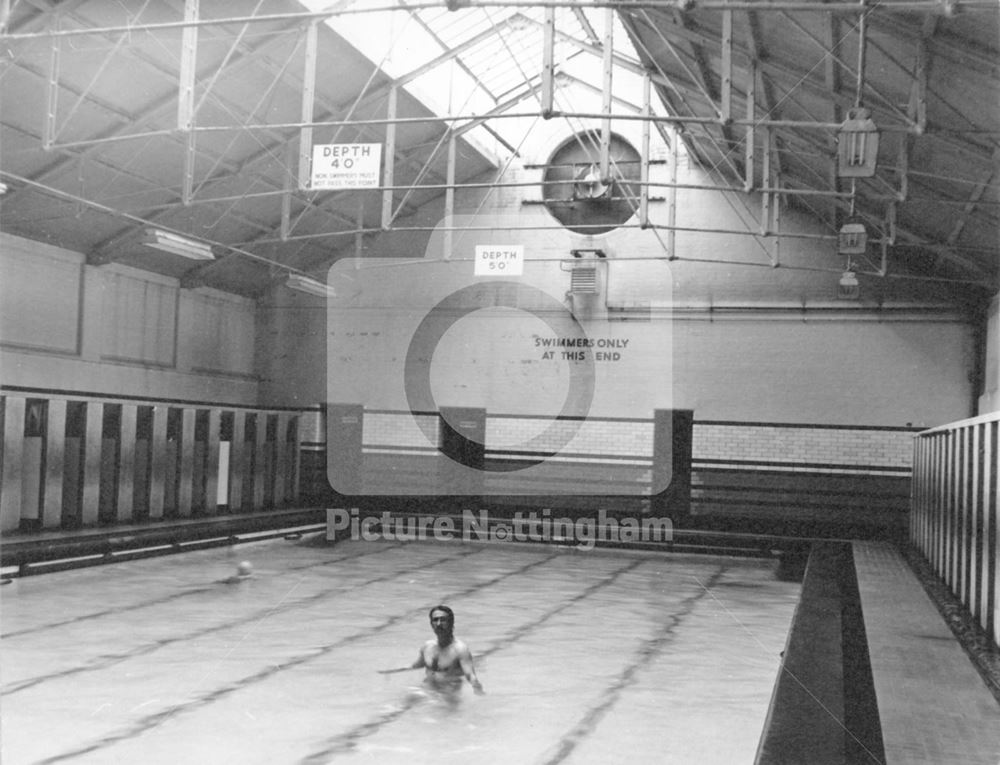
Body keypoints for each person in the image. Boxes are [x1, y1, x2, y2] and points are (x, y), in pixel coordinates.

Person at [381, 605, 484, 696]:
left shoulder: (460, 649)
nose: (439, 623)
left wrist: (477, 687)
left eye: (443, 620)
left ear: (451, 622)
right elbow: (416, 665)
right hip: (428, 689)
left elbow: (470, 674)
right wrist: (392, 671)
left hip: (449, 695)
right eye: (435, 620)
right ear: (431, 623)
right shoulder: (427, 646)